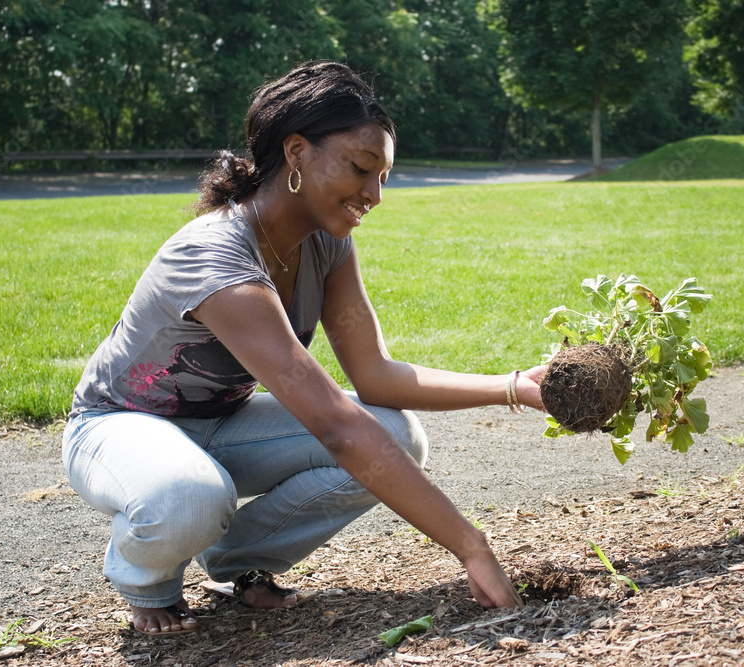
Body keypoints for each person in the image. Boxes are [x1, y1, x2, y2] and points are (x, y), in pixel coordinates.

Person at [62, 61, 546, 637]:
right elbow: (336, 425)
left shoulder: (326, 244)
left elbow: (375, 378)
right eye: (361, 169)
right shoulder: (215, 258)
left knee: (395, 434)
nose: (375, 194)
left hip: (220, 422)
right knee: (190, 497)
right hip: (117, 426)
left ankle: (239, 562)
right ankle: (146, 582)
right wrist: (470, 546)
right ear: (296, 152)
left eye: (384, 177)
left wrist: (514, 387)